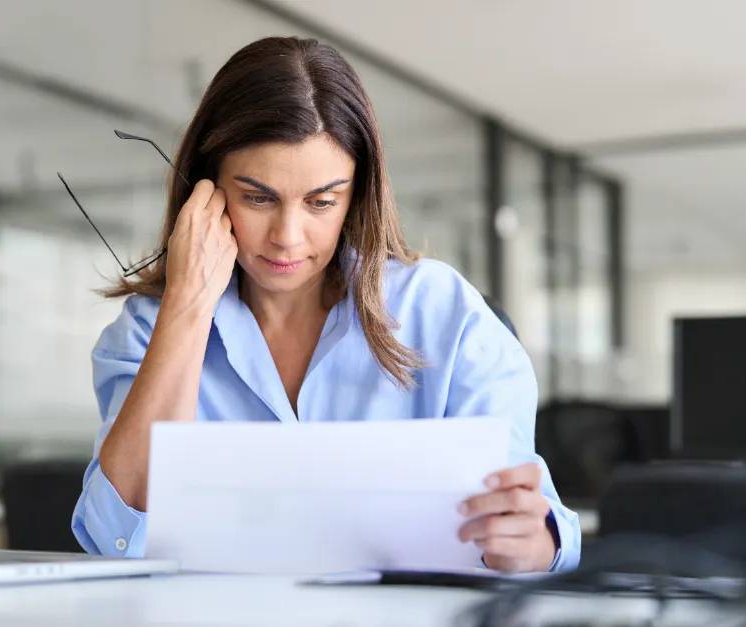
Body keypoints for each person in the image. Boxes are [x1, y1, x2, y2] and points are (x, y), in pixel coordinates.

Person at [70, 35, 580, 573]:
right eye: (258, 197)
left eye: (321, 202)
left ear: (357, 196)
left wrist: (534, 541)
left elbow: (538, 526)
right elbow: (115, 539)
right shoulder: (149, 328)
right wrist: (187, 306)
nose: (288, 237)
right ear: (206, 191)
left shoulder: (444, 314)